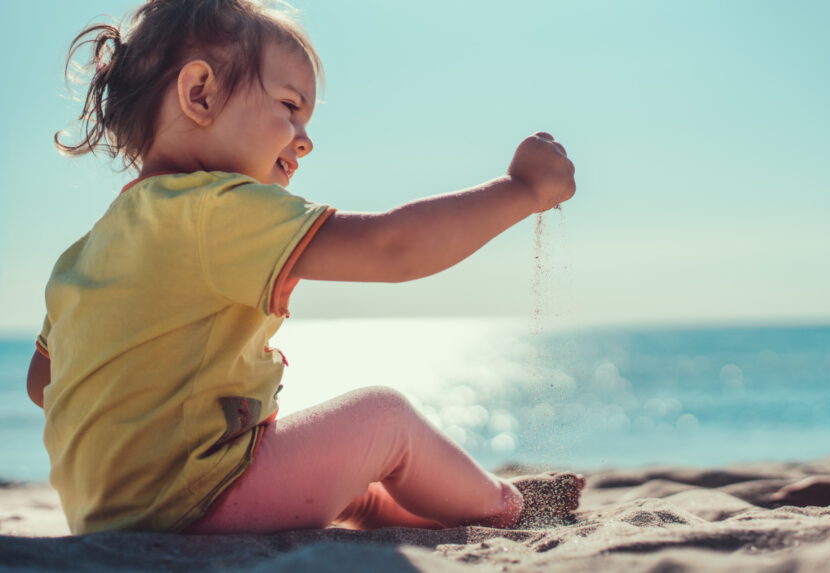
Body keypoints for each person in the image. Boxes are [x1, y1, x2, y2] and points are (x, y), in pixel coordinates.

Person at [26, 0, 583, 535]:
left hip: (103, 515)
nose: (305, 140)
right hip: (192, 498)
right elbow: (395, 249)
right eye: (290, 107)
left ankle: (413, 511)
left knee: (357, 483)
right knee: (384, 421)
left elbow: (41, 384)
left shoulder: (84, 252)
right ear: (200, 94)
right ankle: (508, 506)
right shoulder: (212, 206)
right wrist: (521, 190)